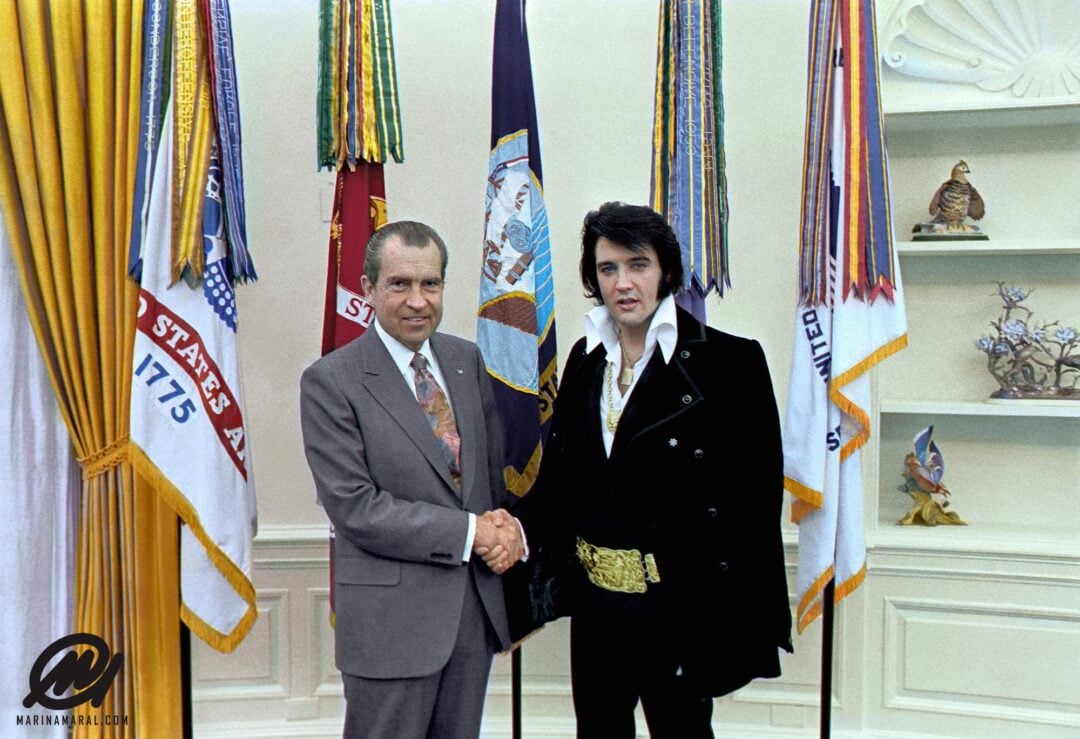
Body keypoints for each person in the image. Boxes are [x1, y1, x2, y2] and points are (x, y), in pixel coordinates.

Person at [504, 202, 793, 738]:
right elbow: (561, 485)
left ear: (665, 270)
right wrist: (509, 526)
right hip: (596, 609)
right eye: (607, 268)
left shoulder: (732, 363)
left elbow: (753, 509)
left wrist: (723, 624)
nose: (623, 282)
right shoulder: (584, 360)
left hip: (681, 610)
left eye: (638, 264)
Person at [300, 221, 524, 739]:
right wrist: (473, 534)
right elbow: (356, 507)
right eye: (399, 284)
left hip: (471, 618)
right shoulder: (331, 381)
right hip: (389, 628)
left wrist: (506, 528)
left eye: (431, 284)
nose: (418, 301)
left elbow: (486, 482)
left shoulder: (466, 360)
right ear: (368, 288)